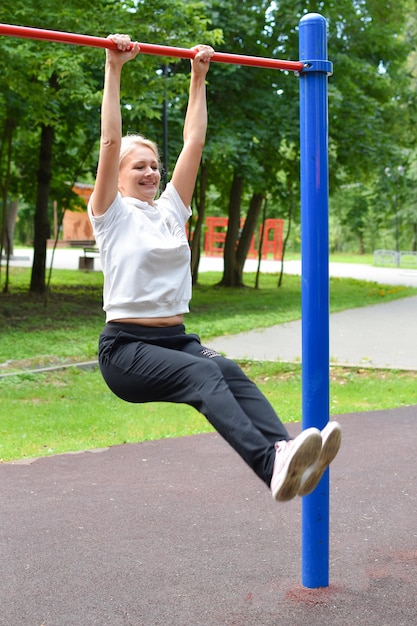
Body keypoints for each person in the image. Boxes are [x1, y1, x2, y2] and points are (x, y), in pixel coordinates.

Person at [88, 33, 341, 502]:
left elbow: (194, 140)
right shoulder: (110, 215)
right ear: (119, 174)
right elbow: (109, 140)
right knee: (204, 378)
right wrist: (114, 67)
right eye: (138, 167)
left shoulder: (169, 211)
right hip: (126, 349)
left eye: (154, 166)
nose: (150, 173)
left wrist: (198, 78)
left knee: (228, 371)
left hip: (177, 340)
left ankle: (285, 452)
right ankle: (271, 467)